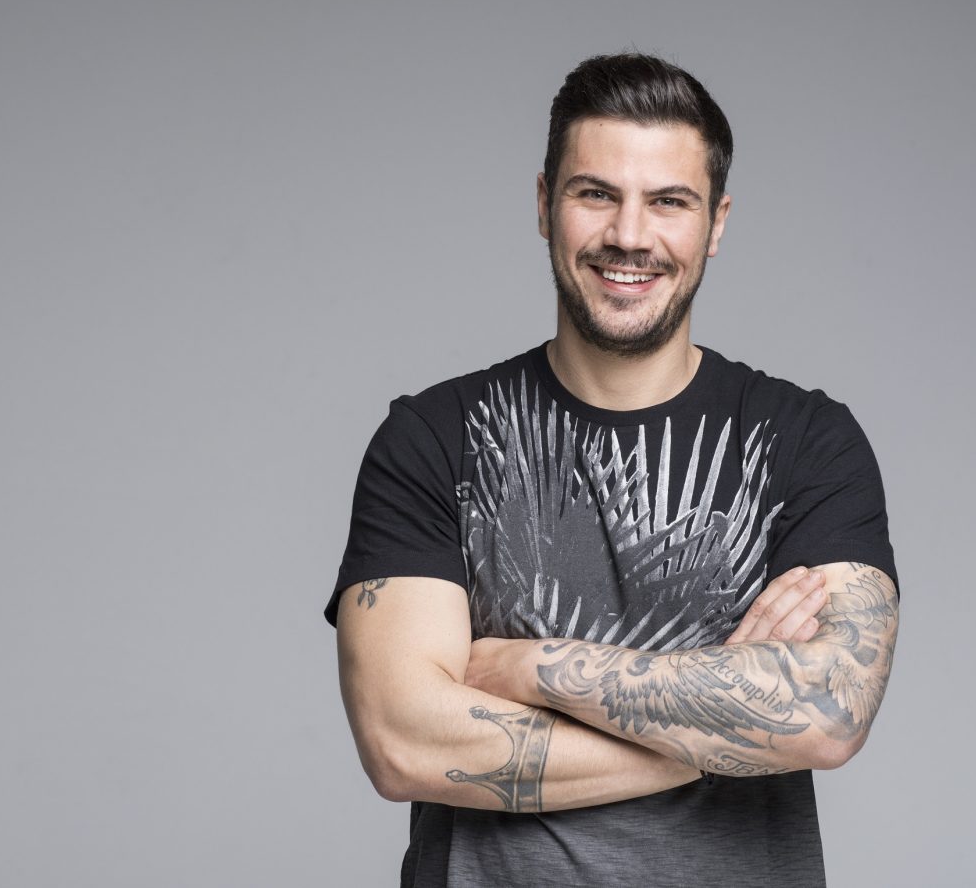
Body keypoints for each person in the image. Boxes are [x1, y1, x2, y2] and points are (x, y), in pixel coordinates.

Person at [326, 52, 899, 887]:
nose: (630, 235)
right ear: (543, 204)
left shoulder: (807, 442)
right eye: (596, 193)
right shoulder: (434, 438)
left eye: (669, 201)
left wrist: (528, 668)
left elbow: (829, 712)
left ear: (717, 222)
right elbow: (403, 742)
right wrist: (723, 727)